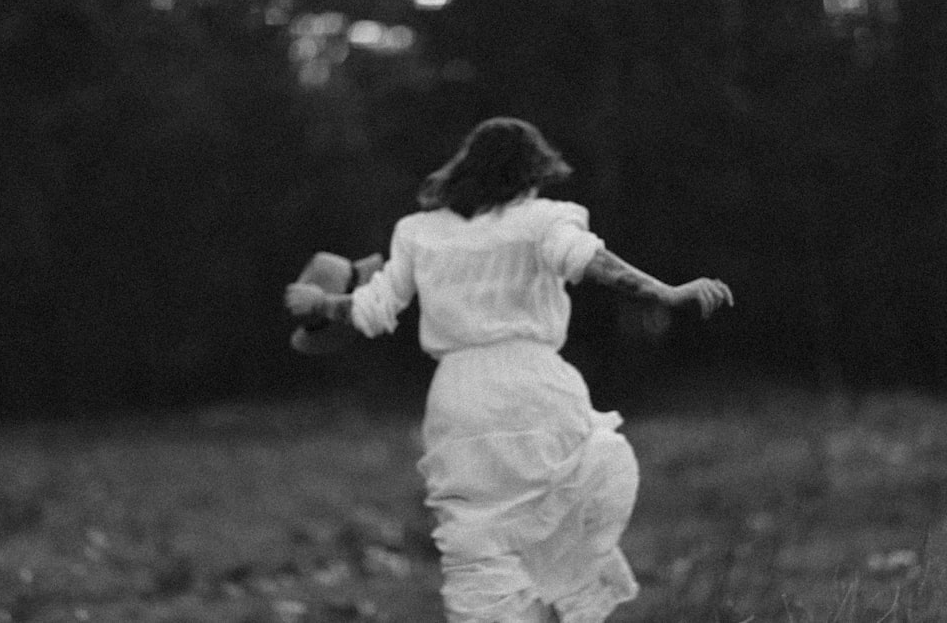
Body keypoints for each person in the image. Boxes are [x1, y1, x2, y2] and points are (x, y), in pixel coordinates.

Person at [284, 117, 733, 623]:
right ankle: (553, 607)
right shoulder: (544, 219)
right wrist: (665, 291)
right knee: (566, 507)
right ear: (529, 174)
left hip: (460, 400)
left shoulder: (418, 232)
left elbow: (372, 307)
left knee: (478, 540)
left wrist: (324, 303)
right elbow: (591, 260)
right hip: (536, 386)